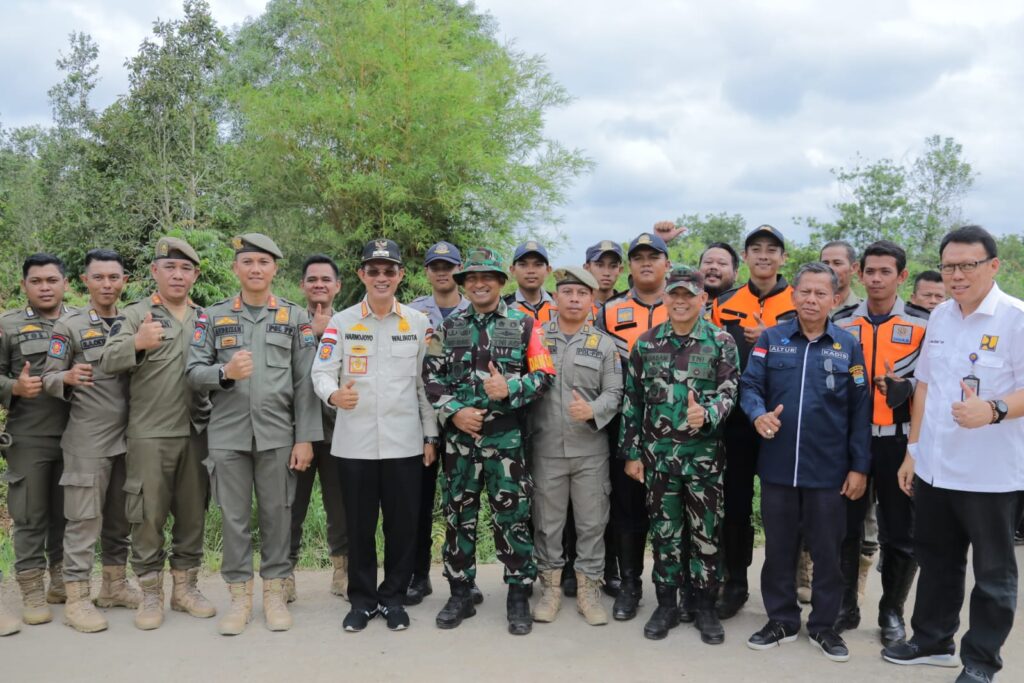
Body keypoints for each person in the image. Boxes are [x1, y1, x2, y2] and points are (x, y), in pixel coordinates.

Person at [884, 226, 1024, 683]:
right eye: (949, 266)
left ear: (993, 266)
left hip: (990, 476)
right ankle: (932, 640)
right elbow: (924, 385)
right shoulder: (941, 315)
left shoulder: (1015, 318)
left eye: (968, 265)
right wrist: (913, 450)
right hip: (935, 468)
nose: (957, 275)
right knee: (938, 561)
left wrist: (996, 409)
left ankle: (981, 662)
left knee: (993, 575)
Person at [186, 232, 322, 635]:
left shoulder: (295, 317)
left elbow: (305, 382)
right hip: (227, 435)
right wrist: (224, 374)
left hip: (279, 435)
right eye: (248, 262)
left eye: (263, 262)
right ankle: (239, 599)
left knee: (278, 515)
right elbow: (193, 372)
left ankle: (275, 596)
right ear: (236, 269)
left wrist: (305, 438)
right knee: (233, 518)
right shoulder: (212, 316)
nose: (256, 269)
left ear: (275, 268)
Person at [740, 261, 870, 662]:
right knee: (778, 548)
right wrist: (758, 413)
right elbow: (749, 385)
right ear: (793, 295)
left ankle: (824, 626)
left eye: (820, 293)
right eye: (805, 292)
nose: (811, 300)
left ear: (835, 298)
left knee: (827, 552)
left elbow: (860, 408)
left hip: (828, 471)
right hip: (779, 467)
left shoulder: (847, 345)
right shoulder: (772, 339)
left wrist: (859, 466)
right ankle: (781, 619)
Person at [423, 247, 555, 635]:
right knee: (458, 518)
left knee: (511, 518)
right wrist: (454, 412)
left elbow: (544, 375)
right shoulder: (449, 327)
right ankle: (461, 591)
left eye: (489, 278)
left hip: (506, 443)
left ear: (501, 282)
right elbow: (431, 378)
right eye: (473, 278)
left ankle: (517, 594)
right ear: (465, 284)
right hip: (460, 445)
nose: (480, 284)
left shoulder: (525, 324)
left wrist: (510, 386)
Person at [311, 238, 437, 633]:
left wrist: (430, 437)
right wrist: (333, 394)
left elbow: (425, 386)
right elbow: (321, 371)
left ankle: (394, 598)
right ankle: (362, 601)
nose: (381, 277)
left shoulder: (418, 323)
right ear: (362, 275)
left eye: (389, 271)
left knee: (402, 527)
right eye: (373, 270)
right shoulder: (343, 322)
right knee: (360, 528)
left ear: (400, 275)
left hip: (404, 443)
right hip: (356, 445)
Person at [102, 237, 215, 631]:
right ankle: (150, 592)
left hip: (196, 431)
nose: (178, 275)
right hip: (149, 434)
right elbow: (106, 358)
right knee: (147, 516)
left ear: (196, 274)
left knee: (192, 513)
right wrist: (137, 343)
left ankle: (186, 589)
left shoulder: (207, 317)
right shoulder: (136, 315)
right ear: (155, 271)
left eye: (186, 269)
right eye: (170, 267)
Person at [621, 266, 739, 644]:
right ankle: (667, 604)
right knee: (666, 534)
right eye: (675, 295)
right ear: (665, 298)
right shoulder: (646, 343)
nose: (681, 301)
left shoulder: (721, 342)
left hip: (704, 460)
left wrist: (707, 414)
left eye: (689, 295)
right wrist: (632, 453)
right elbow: (633, 402)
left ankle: (704, 604)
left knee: (706, 535)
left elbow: (729, 391)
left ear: (703, 299)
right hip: (659, 462)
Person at [832, 241, 928, 646]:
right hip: (850, 441)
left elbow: (934, 384)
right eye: (869, 271)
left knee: (899, 534)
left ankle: (891, 611)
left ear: (901, 276)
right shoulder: (840, 322)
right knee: (844, 528)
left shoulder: (927, 323)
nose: (875, 279)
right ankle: (844, 605)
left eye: (885, 272)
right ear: (858, 272)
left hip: (898, 442)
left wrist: (904, 389)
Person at [41, 249, 139, 632]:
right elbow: (49, 376)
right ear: (85, 281)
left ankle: (113, 585)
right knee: (83, 520)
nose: (107, 284)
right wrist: (64, 378)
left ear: (124, 281)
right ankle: (77, 598)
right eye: (98, 277)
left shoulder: (135, 321)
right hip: (87, 439)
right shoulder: (70, 326)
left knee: (120, 518)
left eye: (114, 277)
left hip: (130, 438)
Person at [710, 224, 796, 619]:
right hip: (735, 420)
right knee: (736, 504)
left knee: (784, 507)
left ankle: (785, 586)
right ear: (745, 258)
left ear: (783, 258)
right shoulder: (725, 302)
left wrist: (772, 337)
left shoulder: (800, 299)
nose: (763, 256)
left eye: (772, 249)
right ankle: (735, 581)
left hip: (783, 417)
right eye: (756, 249)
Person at [529, 266, 622, 627]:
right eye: (567, 292)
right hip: (546, 448)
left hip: (590, 452)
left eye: (582, 294)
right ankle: (550, 591)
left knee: (591, 524)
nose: (574, 299)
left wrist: (593, 409)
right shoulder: (536, 338)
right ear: (555, 297)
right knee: (547, 525)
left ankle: (588, 592)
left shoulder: (604, 345)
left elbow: (615, 392)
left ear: (592, 300)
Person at [596, 231, 672, 621]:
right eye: (639, 257)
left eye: (654, 256)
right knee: (627, 508)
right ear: (630, 267)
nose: (646, 263)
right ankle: (629, 585)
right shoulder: (609, 311)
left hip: (674, 430)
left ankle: (672, 589)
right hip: (624, 424)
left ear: (667, 265)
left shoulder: (683, 305)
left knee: (671, 510)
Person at [0, 253, 72, 625]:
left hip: (77, 436)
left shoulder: (79, 321)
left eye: (51, 280)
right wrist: (14, 386)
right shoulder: (8, 326)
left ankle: (60, 580)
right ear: (24, 285)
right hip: (30, 436)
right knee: (30, 514)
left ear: (65, 283)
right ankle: (30, 588)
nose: (45, 287)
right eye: (36, 281)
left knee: (67, 513)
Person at [406, 241, 475, 607]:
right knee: (420, 500)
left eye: (448, 266)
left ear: (459, 269)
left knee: (466, 503)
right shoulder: (413, 312)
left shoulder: (479, 307)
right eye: (435, 266)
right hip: (426, 418)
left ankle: (466, 576)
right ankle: (420, 575)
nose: (442, 272)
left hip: (469, 420)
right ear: (427, 272)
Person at [287, 254, 349, 602]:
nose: (319, 285)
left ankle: (342, 570)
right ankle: (285, 573)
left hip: (339, 430)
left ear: (337, 286)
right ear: (302, 285)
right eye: (312, 280)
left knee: (340, 506)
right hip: (296, 431)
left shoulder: (352, 324)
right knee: (290, 505)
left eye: (326, 279)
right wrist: (313, 337)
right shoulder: (287, 322)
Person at [505, 240, 556, 322]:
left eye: (538, 265)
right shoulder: (503, 308)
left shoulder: (560, 305)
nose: (531, 271)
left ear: (548, 270)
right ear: (513, 270)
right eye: (523, 265)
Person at [821, 240, 862, 313]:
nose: (830, 268)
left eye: (837, 263)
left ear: (854, 268)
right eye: (825, 263)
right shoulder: (806, 308)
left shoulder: (865, 311)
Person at [583, 240, 625, 307]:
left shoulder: (628, 304)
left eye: (613, 266)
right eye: (599, 265)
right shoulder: (578, 304)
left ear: (620, 270)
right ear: (587, 268)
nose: (606, 273)